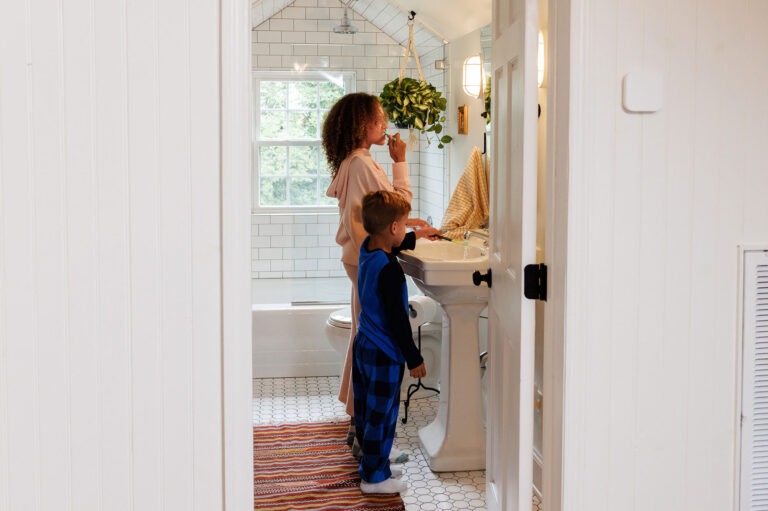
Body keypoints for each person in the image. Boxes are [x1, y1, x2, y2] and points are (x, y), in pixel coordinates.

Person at [322, 92, 436, 456]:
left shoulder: (358, 161)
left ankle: (359, 420)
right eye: (379, 118)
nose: (385, 124)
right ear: (361, 125)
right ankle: (364, 424)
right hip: (365, 260)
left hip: (360, 259)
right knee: (371, 339)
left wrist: (409, 227)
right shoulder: (361, 165)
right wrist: (400, 163)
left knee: (363, 336)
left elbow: (383, 212)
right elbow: (393, 208)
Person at [354, 190, 431, 495]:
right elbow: (398, 321)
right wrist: (413, 357)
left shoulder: (369, 250)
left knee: (367, 412)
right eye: (402, 224)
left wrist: (420, 237)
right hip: (384, 352)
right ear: (395, 228)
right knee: (382, 414)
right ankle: (374, 479)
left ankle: (376, 464)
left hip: (364, 345)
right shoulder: (390, 271)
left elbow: (391, 246)